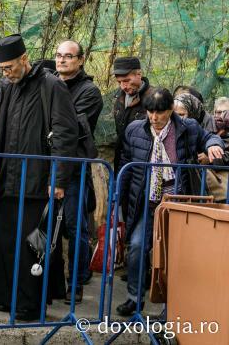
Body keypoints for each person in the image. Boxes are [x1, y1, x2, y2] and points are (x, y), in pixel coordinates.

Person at [0, 34, 79, 320]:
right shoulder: (4, 87)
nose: (6, 73)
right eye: (2, 69)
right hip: (7, 180)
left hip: (37, 182)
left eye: (10, 67)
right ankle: (7, 296)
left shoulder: (51, 85)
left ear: (25, 59)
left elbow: (65, 133)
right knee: (5, 240)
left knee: (32, 244)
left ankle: (30, 302)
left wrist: (59, 179)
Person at [116, 88, 224, 316]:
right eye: (150, 112)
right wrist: (119, 194)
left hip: (176, 200)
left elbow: (210, 137)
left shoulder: (188, 128)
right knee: (136, 247)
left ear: (170, 110)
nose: (155, 118)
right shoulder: (135, 130)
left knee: (174, 254)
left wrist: (214, 145)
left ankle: (171, 306)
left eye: (160, 113)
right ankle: (134, 299)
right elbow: (125, 162)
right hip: (147, 200)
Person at [54, 40, 103, 304]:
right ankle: (50, 283)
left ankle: (76, 282)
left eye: (68, 56)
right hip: (47, 165)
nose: (62, 61)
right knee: (46, 223)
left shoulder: (89, 91)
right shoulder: (49, 82)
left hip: (74, 168)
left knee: (76, 227)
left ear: (81, 60)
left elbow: (69, 125)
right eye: (59, 56)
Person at [112, 56, 152, 222]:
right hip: (122, 163)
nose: (124, 86)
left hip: (144, 166)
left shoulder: (153, 98)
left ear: (139, 74)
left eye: (127, 80)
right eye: (120, 81)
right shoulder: (118, 99)